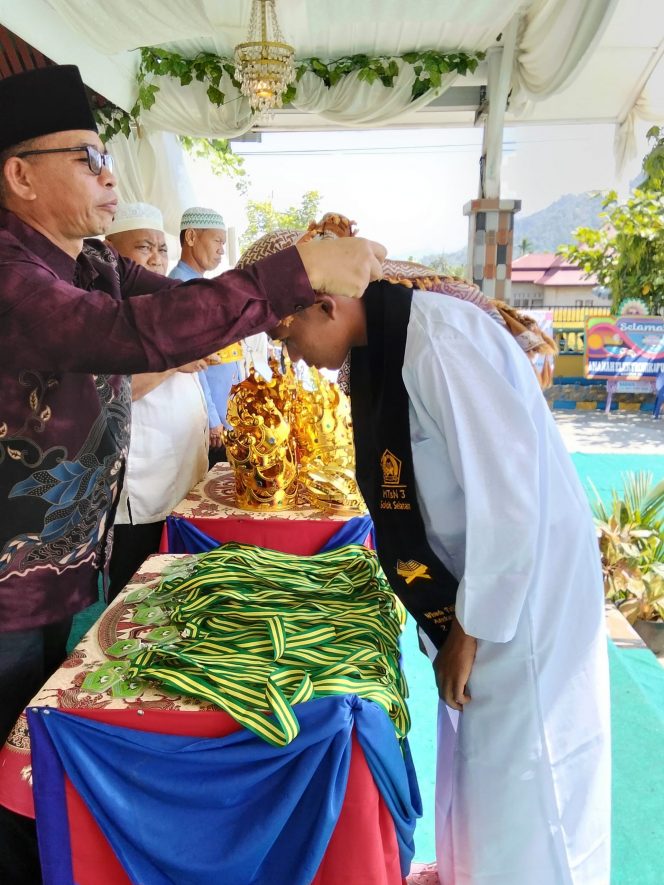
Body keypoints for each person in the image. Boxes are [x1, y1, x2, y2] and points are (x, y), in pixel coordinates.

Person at [0, 66, 384, 883]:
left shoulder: (93, 262)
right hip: (4, 583)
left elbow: (187, 308)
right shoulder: (10, 273)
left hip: (58, 574)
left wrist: (306, 285)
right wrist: (296, 269)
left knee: (35, 757)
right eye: (87, 157)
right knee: (6, 773)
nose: (111, 174)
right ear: (20, 175)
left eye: (108, 155)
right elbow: (134, 333)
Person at [240, 221, 611, 885]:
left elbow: (509, 493)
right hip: (483, 580)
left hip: (521, 590)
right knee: (483, 758)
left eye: (286, 335)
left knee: (531, 770)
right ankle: (473, 870)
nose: (291, 355)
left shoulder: (437, 340)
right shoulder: (387, 341)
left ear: (324, 303)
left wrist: (469, 626)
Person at [105, 203, 210, 597]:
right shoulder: (108, 315)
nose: (156, 258)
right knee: (136, 590)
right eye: (144, 247)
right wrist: (175, 360)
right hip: (142, 486)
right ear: (110, 253)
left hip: (182, 473)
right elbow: (116, 392)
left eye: (162, 249)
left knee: (180, 587)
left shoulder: (164, 302)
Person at [170, 207, 243, 461]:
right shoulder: (179, 287)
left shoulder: (202, 285)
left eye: (224, 242)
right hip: (209, 420)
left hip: (225, 414)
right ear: (191, 237)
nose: (222, 249)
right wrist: (212, 418)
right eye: (217, 240)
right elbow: (193, 361)